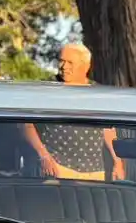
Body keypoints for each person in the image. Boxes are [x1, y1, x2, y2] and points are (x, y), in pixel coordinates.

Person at [20, 44, 125, 181]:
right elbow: (26, 125)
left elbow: (107, 129)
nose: (64, 66)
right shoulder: (47, 90)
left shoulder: (97, 94)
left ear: (85, 66)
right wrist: (44, 155)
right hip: (57, 168)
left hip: (93, 172)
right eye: (61, 61)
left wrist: (118, 162)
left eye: (70, 62)